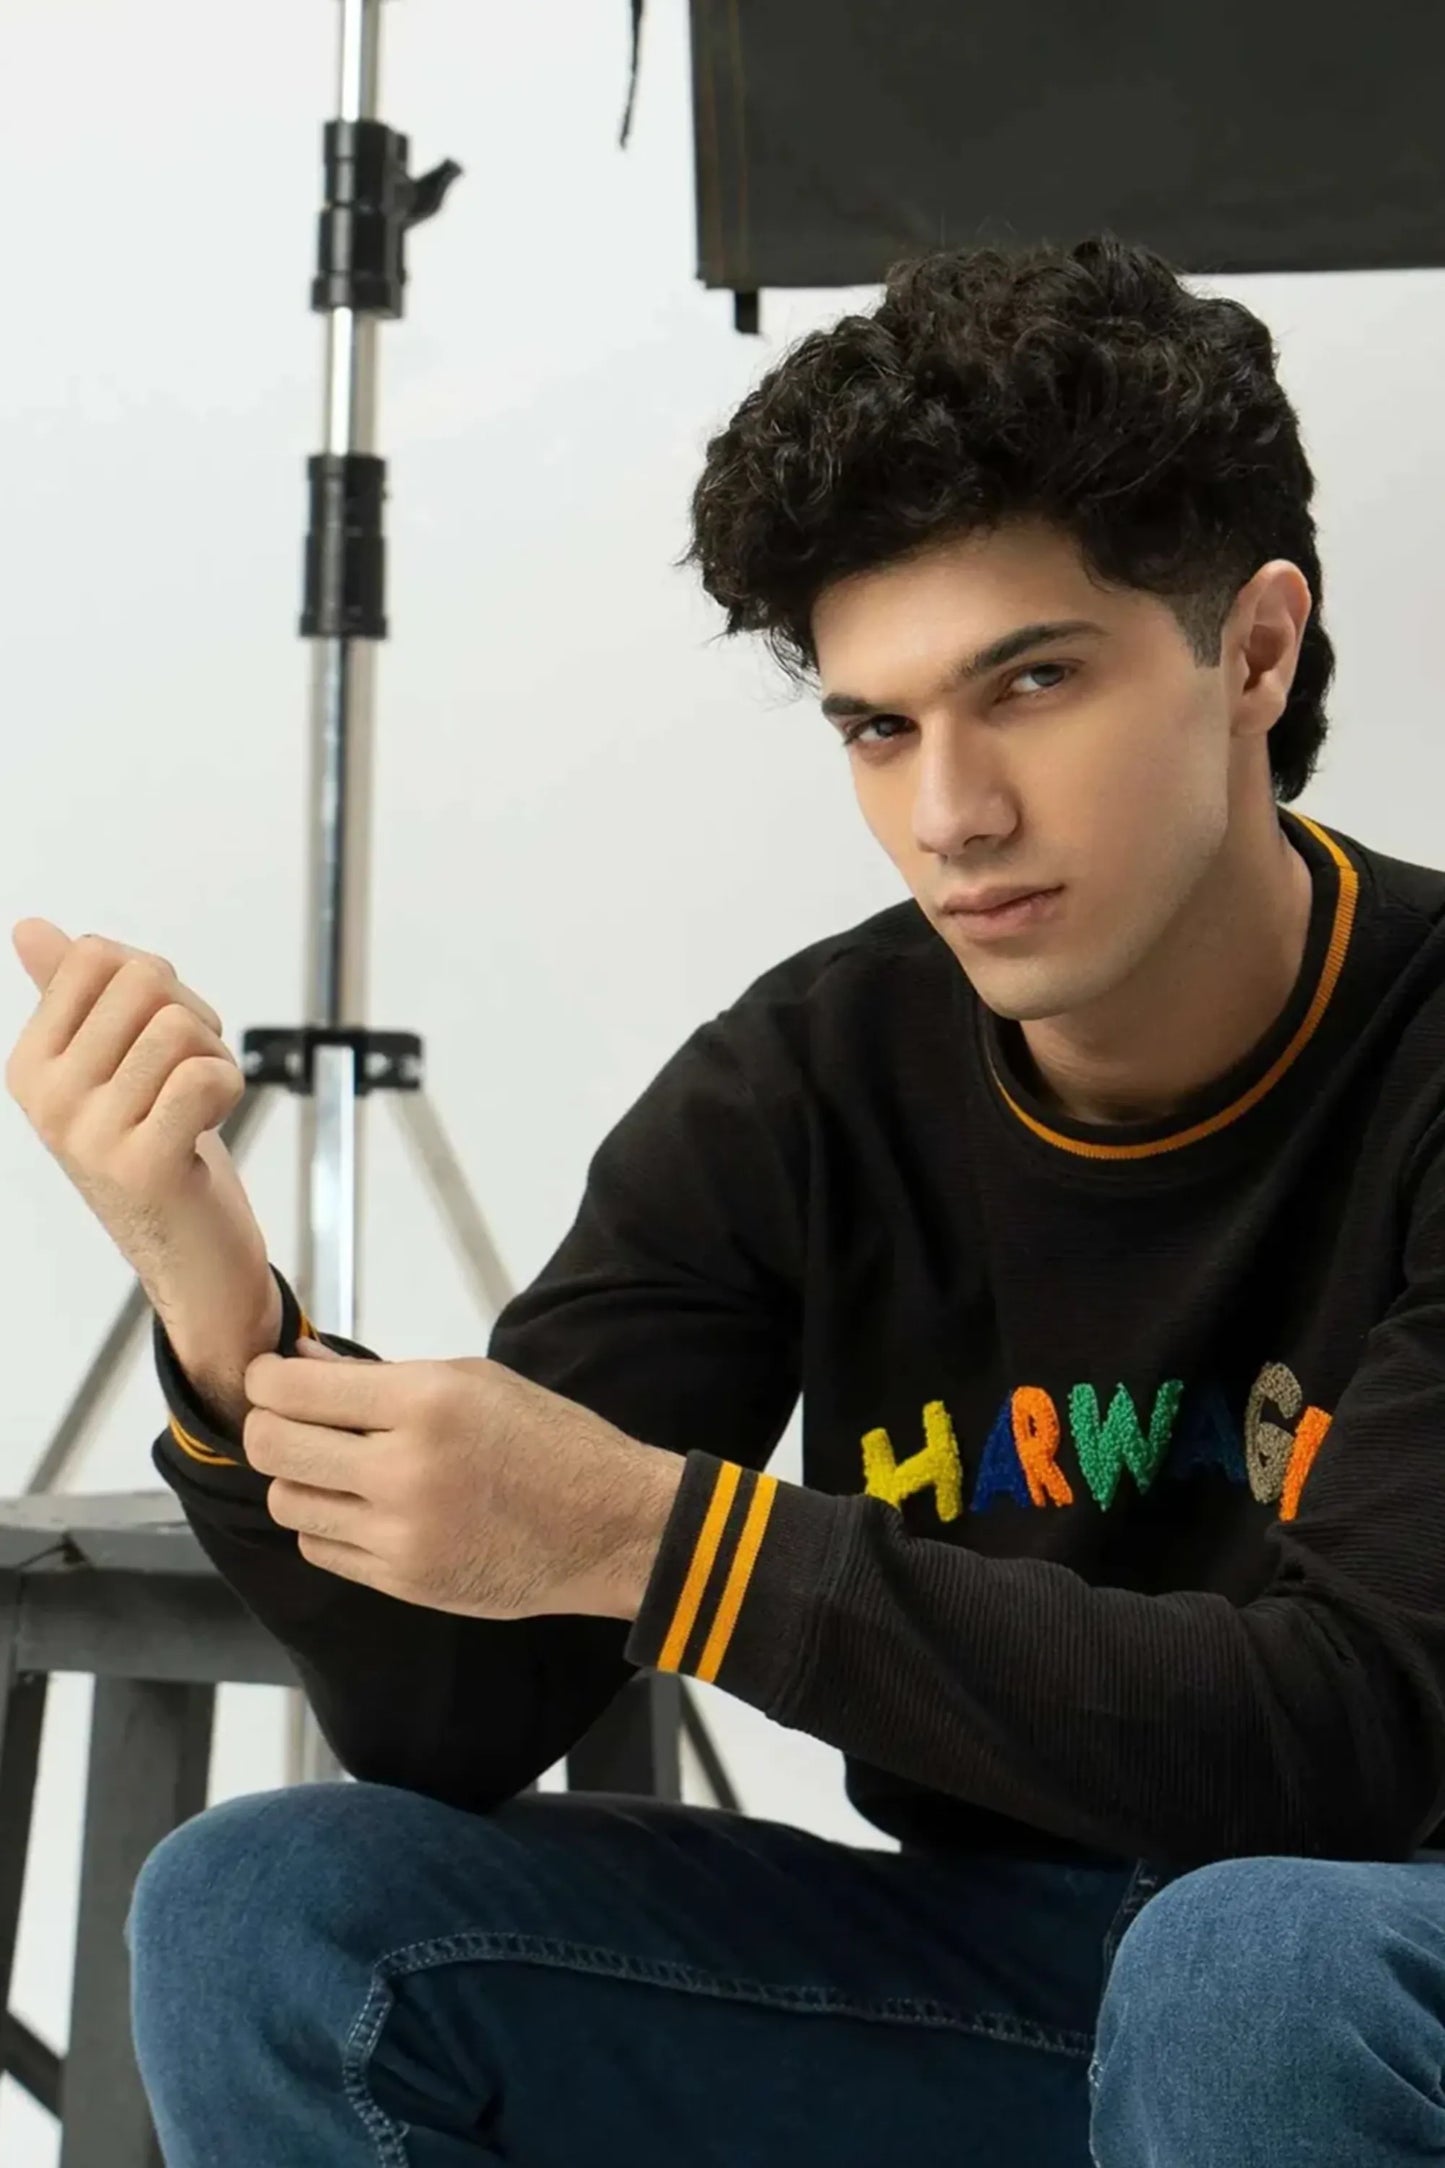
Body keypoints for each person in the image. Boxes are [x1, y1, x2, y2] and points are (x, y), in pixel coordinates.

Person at [10, 230, 1445, 2168]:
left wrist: (675, 1541)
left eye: (1031, 683)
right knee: (270, 1910)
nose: (953, 810)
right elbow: (463, 1715)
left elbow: (1359, 1739)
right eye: (878, 724)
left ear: (1254, 649)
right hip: (1009, 1992)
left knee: (1256, 1957)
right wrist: (216, 1295)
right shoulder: (807, 1082)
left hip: (1371, 1980)